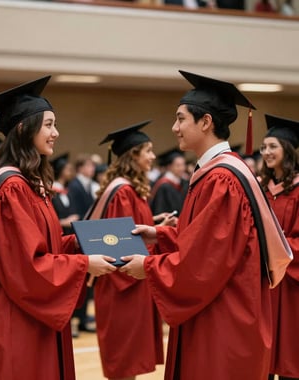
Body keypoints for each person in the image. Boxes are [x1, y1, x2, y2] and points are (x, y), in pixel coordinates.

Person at [119, 70, 291, 380]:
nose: (175, 128)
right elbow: (206, 240)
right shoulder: (218, 172)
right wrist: (158, 233)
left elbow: (205, 262)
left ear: (206, 122)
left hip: (224, 320)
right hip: (222, 310)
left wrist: (149, 267)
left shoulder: (222, 179)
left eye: (181, 119)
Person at [0, 76, 117, 380]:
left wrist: (85, 242)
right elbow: (26, 269)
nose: (56, 133)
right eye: (48, 125)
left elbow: (44, 248)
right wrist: (85, 263)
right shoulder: (11, 189)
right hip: (12, 325)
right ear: (23, 128)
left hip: (28, 320)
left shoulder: (27, 185)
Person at [88, 120, 164, 380]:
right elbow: (116, 245)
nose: (153, 156)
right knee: (123, 362)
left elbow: (130, 232)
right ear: (133, 155)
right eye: (148, 151)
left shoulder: (131, 190)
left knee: (129, 362)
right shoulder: (122, 192)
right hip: (123, 286)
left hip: (133, 283)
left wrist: (158, 226)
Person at [259, 114, 299, 380]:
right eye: (264, 147)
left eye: (273, 146)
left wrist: (273, 251)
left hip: (291, 287)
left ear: (288, 149)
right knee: (261, 359)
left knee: (288, 355)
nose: (266, 152)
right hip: (264, 282)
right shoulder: (262, 188)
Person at [67, 152, 99, 333]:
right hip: (79, 235)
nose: (92, 169)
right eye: (88, 166)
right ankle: (76, 319)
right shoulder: (75, 186)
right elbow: (77, 212)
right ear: (80, 168)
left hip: (88, 234)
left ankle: (83, 319)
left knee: (87, 281)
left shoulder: (87, 186)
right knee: (78, 281)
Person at [150, 148, 189, 216]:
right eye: (178, 165)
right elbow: (159, 210)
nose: (182, 168)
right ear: (169, 167)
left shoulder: (183, 183)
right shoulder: (164, 185)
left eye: (183, 165)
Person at [50, 152, 79, 236]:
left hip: (70, 233)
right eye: (68, 169)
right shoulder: (51, 191)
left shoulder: (67, 191)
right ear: (60, 170)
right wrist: (62, 222)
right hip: (58, 233)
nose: (71, 172)